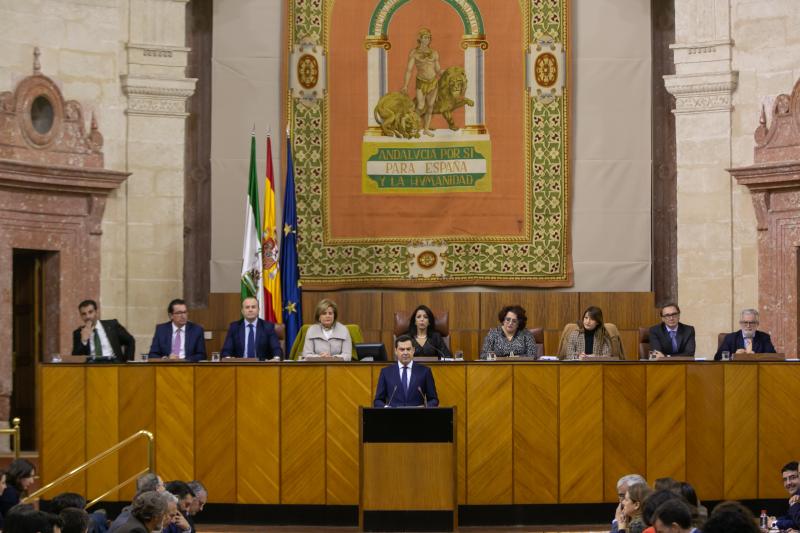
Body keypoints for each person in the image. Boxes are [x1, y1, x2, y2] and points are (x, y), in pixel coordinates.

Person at [373, 335, 439, 407]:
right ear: (396, 351)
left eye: (408, 349)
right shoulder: (386, 372)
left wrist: (424, 407)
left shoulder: (425, 371)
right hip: (393, 416)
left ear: (413, 350)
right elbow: (378, 400)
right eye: (402, 349)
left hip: (418, 416)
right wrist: (387, 408)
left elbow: (434, 400)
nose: (405, 353)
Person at [401, 28, 442, 136]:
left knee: (430, 106)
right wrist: (405, 85)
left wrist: (446, 73)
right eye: (425, 37)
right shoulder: (414, 53)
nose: (427, 39)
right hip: (421, 82)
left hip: (433, 82)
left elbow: (438, 70)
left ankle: (426, 129)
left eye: (429, 37)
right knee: (420, 106)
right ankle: (410, 122)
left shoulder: (434, 53)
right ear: (420, 39)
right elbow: (409, 70)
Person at [71, 300, 135, 362]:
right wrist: (83, 341)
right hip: (92, 368)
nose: (88, 316)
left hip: (113, 365)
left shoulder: (112, 325)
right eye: (84, 314)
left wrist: (127, 363)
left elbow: (130, 340)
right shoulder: (78, 333)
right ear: (81, 316)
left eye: (90, 312)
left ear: (96, 312)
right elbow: (75, 358)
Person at [0, 459, 37, 524]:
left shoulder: (11, 490)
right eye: (30, 477)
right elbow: (12, 522)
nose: (32, 481)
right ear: (19, 476)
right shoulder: (9, 492)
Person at [772, 461, 800, 530]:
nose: (788, 483)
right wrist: (775, 520)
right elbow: (790, 517)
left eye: (793, 477)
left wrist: (774, 524)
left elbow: (797, 523)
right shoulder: (795, 495)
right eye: (785, 479)